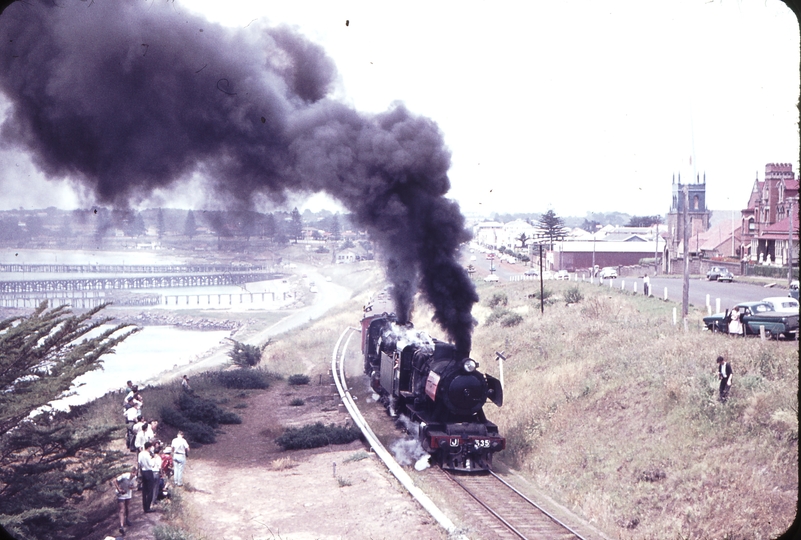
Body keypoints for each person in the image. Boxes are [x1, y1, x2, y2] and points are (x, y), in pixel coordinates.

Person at [112, 465, 137, 536]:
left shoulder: (134, 478)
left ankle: (127, 519)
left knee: (127, 507)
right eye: (133, 472)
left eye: (135, 473)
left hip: (128, 492)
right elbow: (115, 480)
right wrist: (119, 489)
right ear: (131, 472)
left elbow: (131, 486)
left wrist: (132, 487)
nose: (133, 474)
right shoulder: (124, 476)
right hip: (121, 492)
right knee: (122, 509)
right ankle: (121, 526)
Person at [137, 441, 158, 512]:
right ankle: (148, 507)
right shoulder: (147, 454)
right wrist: (154, 459)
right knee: (150, 491)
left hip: (143, 471)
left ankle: (144, 507)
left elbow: (139, 463)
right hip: (149, 471)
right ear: (149, 447)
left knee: (144, 490)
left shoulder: (140, 454)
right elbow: (151, 464)